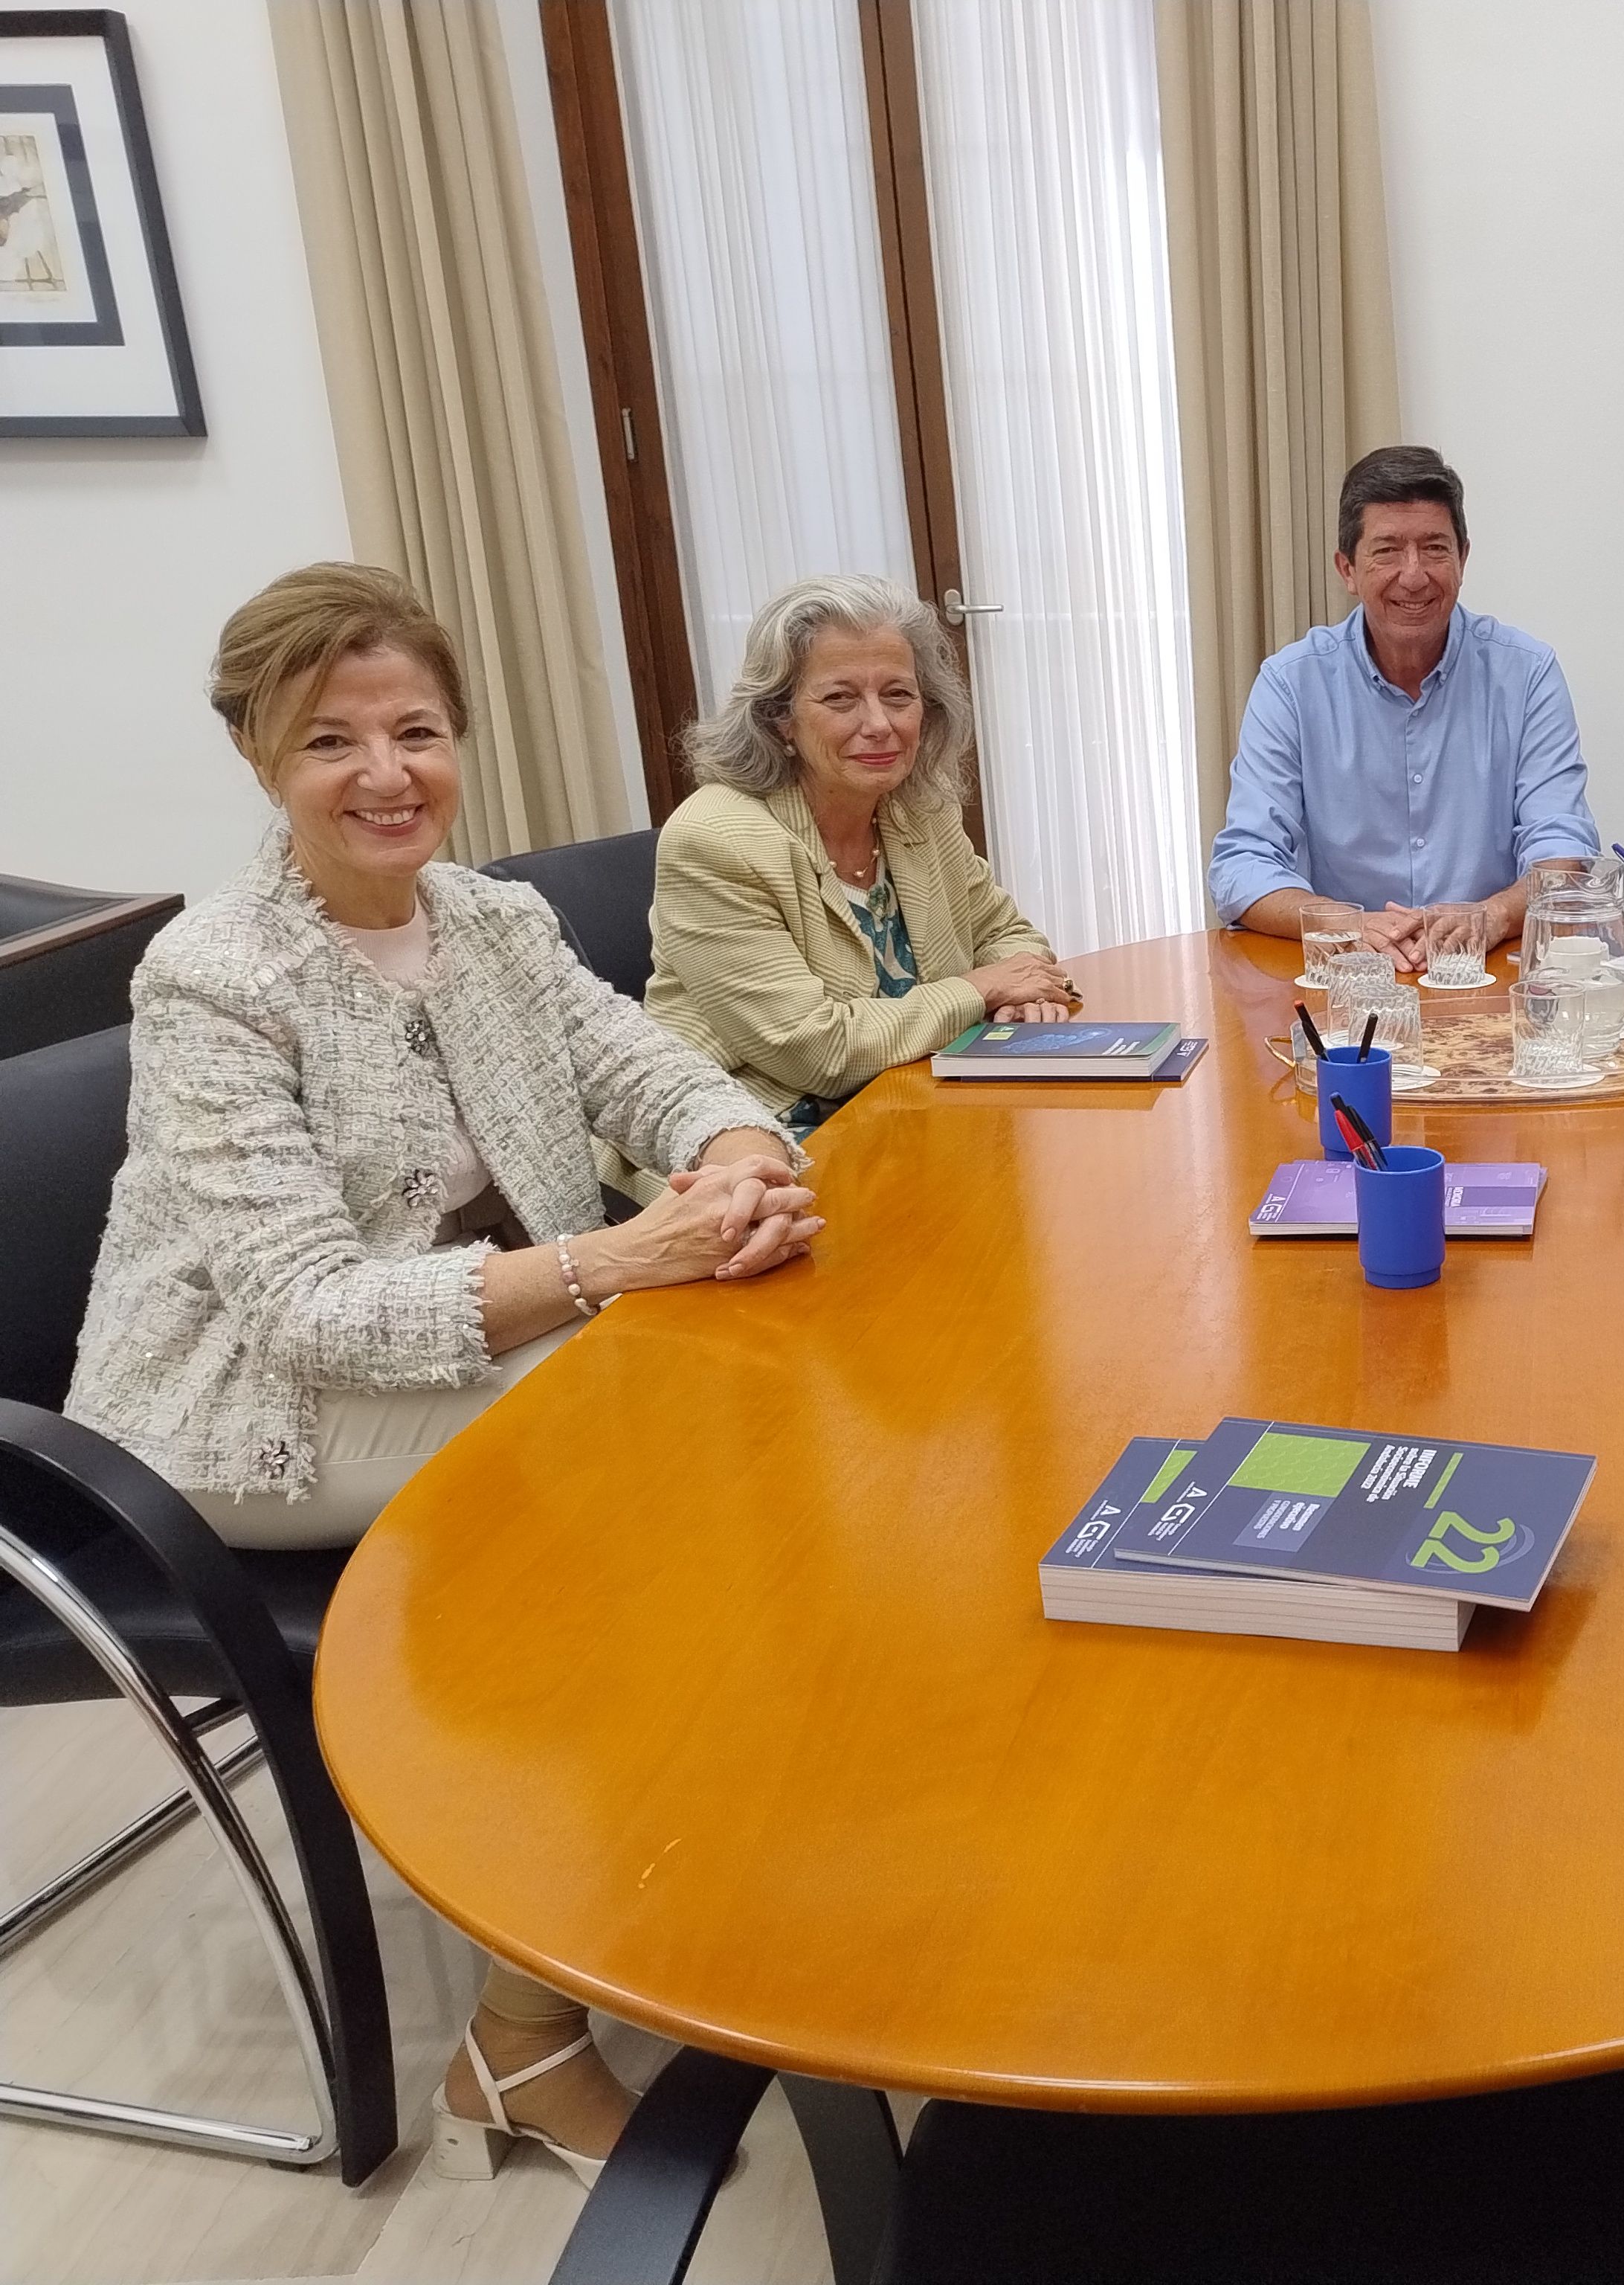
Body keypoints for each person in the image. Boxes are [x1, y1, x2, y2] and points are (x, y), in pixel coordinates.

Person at [65, 562, 822, 2183]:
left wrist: (739, 1152)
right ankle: (527, 2041)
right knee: (634, 1490)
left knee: (747, 1411)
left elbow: (657, 1071)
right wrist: (619, 1265)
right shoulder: (213, 977)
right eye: (331, 740)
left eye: (414, 729)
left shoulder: (493, 922)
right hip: (221, 1418)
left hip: (485, 1336)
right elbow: (307, 1312)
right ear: (263, 761)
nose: (385, 772)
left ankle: (697, 1863)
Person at [646, 573, 1077, 1137]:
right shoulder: (713, 841)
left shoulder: (917, 807)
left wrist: (1018, 1000)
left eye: (898, 695)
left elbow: (1007, 935)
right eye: (841, 698)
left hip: (914, 1102)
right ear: (781, 720)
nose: (879, 725)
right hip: (757, 1135)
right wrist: (982, 990)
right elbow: (816, 1051)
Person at [1206, 445, 1602, 965]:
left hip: (1487, 970)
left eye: (1435, 549)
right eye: (1387, 550)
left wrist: (1493, 915)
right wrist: (1347, 924)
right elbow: (1243, 863)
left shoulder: (1527, 673)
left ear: (1463, 559)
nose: (1413, 576)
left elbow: (1563, 844)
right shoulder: (1290, 684)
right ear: (1347, 569)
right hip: (1348, 974)